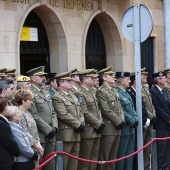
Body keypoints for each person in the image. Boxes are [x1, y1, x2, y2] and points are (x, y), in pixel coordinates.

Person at [26, 66, 58, 170]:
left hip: (51, 133)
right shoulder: (29, 93)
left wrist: (55, 126)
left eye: (44, 76)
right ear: (33, 79)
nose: (44, 78)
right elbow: (34, 115)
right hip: (40, 135)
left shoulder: (45, 91)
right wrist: (48, 129)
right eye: (41, 76)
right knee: (39, 164)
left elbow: (53, 111)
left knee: (51, 164)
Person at [52, 71, 85, 170]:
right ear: (61, 83)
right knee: (64, 162)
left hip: (76, 132)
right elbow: (63, 114)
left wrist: (81, 121)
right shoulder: (57, 97)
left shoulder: (72, 95)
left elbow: (80, 111)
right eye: (68, 81)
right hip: (66, 133)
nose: (71, 82)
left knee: (74, 162)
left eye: (71, 81)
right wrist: (78, 124)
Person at [74, 69, 105, 170]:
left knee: (94, 158)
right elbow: (85, 112)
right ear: (85, 80)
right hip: (88, 130)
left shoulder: (91, 92)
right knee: (85, 159)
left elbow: (97, 110)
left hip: (96, 129)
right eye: (92, 78)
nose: (95, 79)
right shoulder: (80, 93)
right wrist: (98, 123)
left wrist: (100, 123)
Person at [96, 67, 125, 170]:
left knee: (113, 157)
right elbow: (105, 109)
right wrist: (118, 121)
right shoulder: (101, 91)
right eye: (110, 74)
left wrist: (122, 119)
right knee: (105, 156)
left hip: (117, 127)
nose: (113, 76)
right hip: (109, 128)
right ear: (104, 77)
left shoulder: (113, 90)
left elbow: (119, 108)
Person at [115, 72, 138, 170]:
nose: (129, 81)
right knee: (122, 154)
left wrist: (136, 118)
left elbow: (132, 109)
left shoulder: (126, 92)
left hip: (131, 128)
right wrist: (132, 120)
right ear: (121, 81)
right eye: (127, 79)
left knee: (129, 154)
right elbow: (121, 110)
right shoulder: (117, 93)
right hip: (125, 128)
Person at [14, 89, 44, 160]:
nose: (31, 102)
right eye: (30, 100)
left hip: (34, 148)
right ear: (23, 101)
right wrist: (38, 147)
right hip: (27, 150)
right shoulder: (18, 113)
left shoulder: (27, 113)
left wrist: (38, 144)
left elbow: (34, 131)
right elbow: (24, 132)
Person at [6, 106, 38, 170]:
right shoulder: (14, 130)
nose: (19, 114)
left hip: (26, 161)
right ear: (13, 116)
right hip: (22, 163)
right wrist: (33, 155)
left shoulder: (17, 127)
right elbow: (22, 148)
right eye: (18, 113)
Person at [150, 71, 170, 170]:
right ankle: (159, 167)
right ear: (158, 80)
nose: (166, 79)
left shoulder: (164, 91)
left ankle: (165, 166)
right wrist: (168, 119)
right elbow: (158, 108)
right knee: (161, 148)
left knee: (167, 147)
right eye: (164, 78)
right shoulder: (153, 91)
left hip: (167, 124)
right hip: (161, 124)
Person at [0, 97, 20, 170]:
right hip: (4, 162)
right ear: (4, 108)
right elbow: (9, 142)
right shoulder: (2, 124)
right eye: (7, 105)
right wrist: (17, 152)